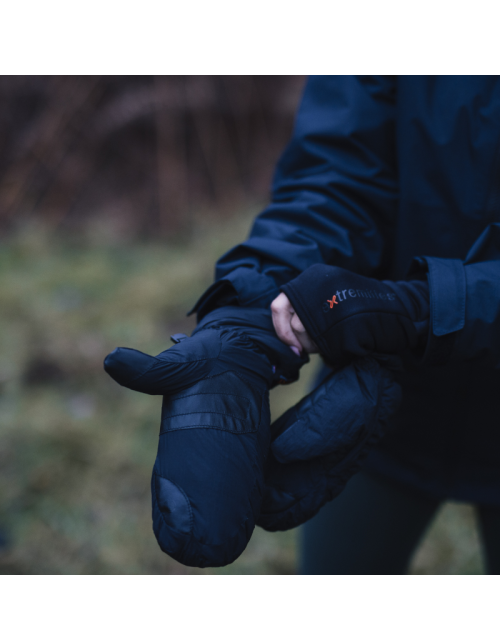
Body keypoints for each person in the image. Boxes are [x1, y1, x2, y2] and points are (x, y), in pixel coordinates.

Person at [190, 76, 500, 574]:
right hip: (379, 397)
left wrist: (416, 309)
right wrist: (249, 307)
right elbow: (339, 173)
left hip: (393, 338)